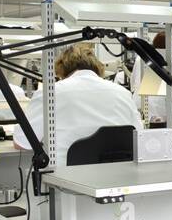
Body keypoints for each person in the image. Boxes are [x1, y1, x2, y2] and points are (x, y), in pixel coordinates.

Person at [14, 43, 142, 166]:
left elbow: (22, 143)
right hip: (117, 177)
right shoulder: (123, 93)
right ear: (98, 66)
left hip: (65, 181)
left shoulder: (50, 93)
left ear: (61, 68)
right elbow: (140, 136)